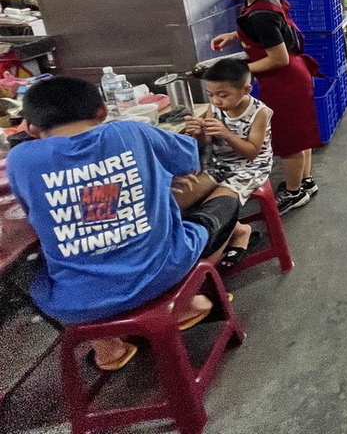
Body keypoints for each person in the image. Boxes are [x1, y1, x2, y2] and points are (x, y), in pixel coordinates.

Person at [8, 77, 240, 371]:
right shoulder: (130, 131)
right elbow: (188, 163)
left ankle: (106, 346)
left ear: (29, 127)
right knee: (228, 199)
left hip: (78, 303)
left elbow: (32, 210)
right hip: (161, 273)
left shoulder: (20, 159)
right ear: (102, 112)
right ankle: (187, 301)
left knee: (37, 266)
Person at [193, 0, 320, 215]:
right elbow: (271, 31)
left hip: (284, 78)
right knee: (299, 134)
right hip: (295, 74)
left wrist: (239, 69)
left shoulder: (261, 13)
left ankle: (294, 192)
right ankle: (305, 181)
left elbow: (278, 58)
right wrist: (234, 35)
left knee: (288, 142)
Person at [182, 58, 273, 268]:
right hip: (219, 163)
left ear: (246, 89)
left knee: (215, 210)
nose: (216, 101)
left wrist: (226, 133)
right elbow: (206, 143)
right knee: (179, 200)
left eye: (223, 95)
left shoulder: (259, 112)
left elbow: (251, 153)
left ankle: (207, 268)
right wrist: (197, 134)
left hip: (249, 167)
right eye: (210, 95)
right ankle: (240, 229)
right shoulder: (214, 109)